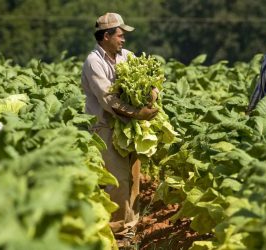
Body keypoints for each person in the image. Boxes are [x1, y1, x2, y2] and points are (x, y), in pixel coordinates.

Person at [81, 12, 159, 240]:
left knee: (134, 178)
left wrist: (153, 92)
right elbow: (108, 100)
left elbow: (149, 80)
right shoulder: (93, 61)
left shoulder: (127, 56)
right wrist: (138, 112)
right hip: (105, 127)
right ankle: (117, 231)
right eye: (120, 35)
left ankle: (131, 227)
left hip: (131, 126)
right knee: (118, 180)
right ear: (106, 36)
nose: (124, 40)